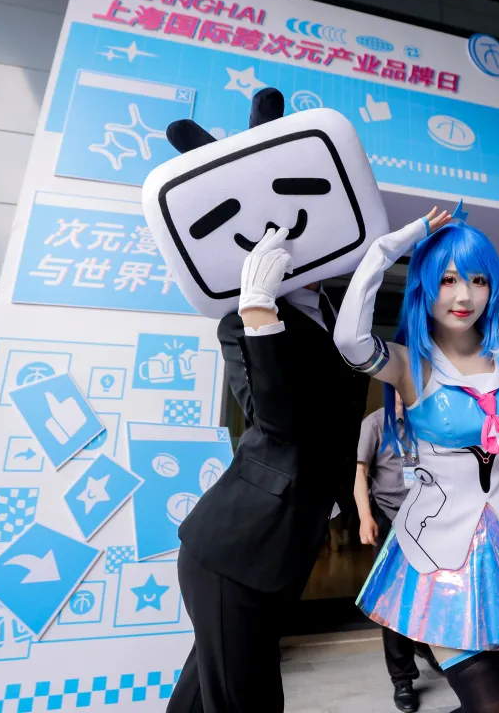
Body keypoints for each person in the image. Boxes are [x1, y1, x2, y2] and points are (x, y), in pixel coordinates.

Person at [156, 90, 371, 713]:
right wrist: (258, 312)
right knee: (246, 702)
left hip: (278, 551)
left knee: (203, 695)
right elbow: (278, 424)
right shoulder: (240, 324)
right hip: (236, 551)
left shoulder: (331, 305)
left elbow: (340, 412)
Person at [335, 202, 499, 713]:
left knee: (492, 701)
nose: (465, 296)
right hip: (438, 555)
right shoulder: (408, 365)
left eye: (478, 280)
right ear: (423, 284)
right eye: (448, 280)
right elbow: (350, 341)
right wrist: (389, 248)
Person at [355, 395, 444, 711]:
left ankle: (424, 643)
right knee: (393, 602)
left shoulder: (429, 420)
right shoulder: (375, 424)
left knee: (431, 593)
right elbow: (359, 472)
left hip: (428, 519)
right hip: (389, 517)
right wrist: (365, 517)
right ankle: (402, 680)